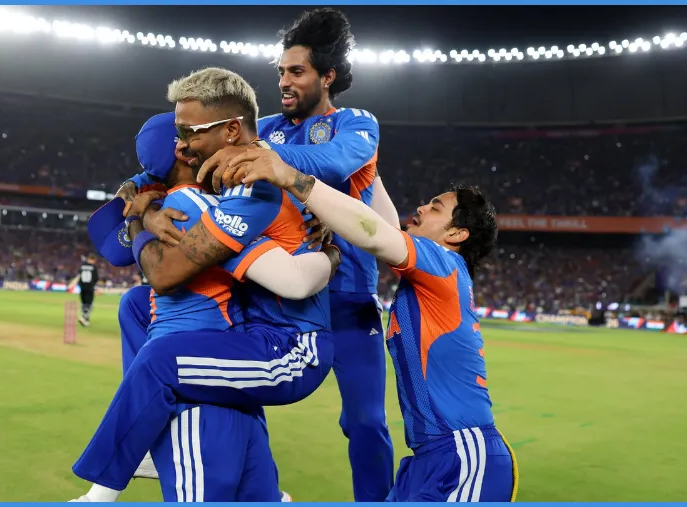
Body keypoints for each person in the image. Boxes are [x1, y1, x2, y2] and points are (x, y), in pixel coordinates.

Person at [223, 149, 519, 502]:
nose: (422, 208)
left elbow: (375, 233)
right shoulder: (436, 274)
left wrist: (290, 177)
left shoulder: (443, 263)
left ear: (456, 234)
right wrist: (366, 168)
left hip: (462, 455)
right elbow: (379, 227)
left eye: (435, 207)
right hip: (429, 458)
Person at [72, 109, 337, 501]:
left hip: (291, 346)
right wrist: (145, 211)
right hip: (257, 333)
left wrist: (142, 217)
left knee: (158, 357)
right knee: (135, 305)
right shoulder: (198, 202)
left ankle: (106, 484)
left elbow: (294, 281)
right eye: (192, 136)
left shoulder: (212, 194)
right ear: (185, 151)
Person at [194, 8, 398, 501]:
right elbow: (191, 147)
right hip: (277, 293)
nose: (284, 81)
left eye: (297, 71)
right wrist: (142, 182)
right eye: (281, 71)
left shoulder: (356, 124)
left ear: (327, 76)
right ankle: (260, 491)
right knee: (230, 391)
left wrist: (268, 159)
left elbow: (336, 161)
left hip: (347, 298)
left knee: (366, 421)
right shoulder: (262, 129)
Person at [69, 254, 99, 327]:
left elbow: (79, 276)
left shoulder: (82, 266)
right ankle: (84, 317)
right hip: (90, 288)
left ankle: (85, 319)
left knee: (84, 303)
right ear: (93, 260)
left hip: (82, 288)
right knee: (89, 304)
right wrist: (94, 286)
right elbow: (96, 278)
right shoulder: (93, 267)